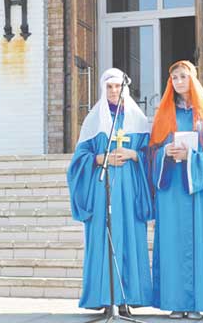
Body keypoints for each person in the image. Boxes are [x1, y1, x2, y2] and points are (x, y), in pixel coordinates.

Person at [66, 68, 153, 315]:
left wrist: (134, 154)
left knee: (129, 237)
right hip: (102, 189)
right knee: (104, 239)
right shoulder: (93, 120)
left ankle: (128, 298)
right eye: (109, 87)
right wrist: (99, 157)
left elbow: (150, 154)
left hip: (130, 189)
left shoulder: (139, 120)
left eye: (118, 87)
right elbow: (77, 161)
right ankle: (105, 297)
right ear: (103, 90)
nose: (114, 91)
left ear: (125, 89)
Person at [148, 60, 203, 320]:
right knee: (172, 243)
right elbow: (152, 151)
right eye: (174, 78)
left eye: (183, 76)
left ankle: (198, 303)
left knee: (200, 242)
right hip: (172, 190)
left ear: (193, 79)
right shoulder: (164, 113)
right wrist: (165, 153)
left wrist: (193, 156)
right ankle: (175, 301)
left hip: (199, 191)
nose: (179, 81)